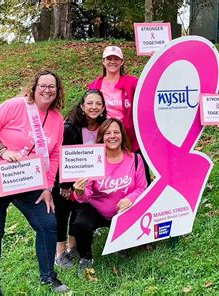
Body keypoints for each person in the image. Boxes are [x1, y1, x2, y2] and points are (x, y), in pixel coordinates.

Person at [0, 70, 69, 295]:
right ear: (34, 87)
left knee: (47, 224)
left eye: (52, 87)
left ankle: (48, 276)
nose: (47, 90)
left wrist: (48, 187)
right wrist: (3, 150)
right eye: (43, 85)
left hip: (30, 182)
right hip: (1, 179)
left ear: (57, 92)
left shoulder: (57, 119)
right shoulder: (16, 105)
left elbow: (55, 154)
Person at [72, 118, 147, 275]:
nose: (112, 136)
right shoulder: (94, 162)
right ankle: (85, 257)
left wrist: (130, 199)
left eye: (116, 132)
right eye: (107, 133)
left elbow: (142, 188)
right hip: (98, 210)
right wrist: (79, 191)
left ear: (122, 135)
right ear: (101, 137)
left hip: (124, 211)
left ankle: (124, 244)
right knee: (80, 223)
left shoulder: (135, 159)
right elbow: (85, 196)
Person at [52, 89, 107, 268]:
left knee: (78, 210)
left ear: (103, 107)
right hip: (65, 180)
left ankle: (73, 246)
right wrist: (65, 184)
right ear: (82, 106)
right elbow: (59, 157)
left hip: (87, 180)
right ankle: (60, 252)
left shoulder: (104, 126)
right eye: (90, 103)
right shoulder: (69, 127)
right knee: (62, 213)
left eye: (98, 103)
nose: (94, 107)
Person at [88, 45, 151, 182]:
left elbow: (149, 90)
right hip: (106, 136)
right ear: (103, 61)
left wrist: (155, 63)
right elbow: (88, 109)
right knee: (112, 176)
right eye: (109, 58)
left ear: (121, 62)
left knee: (141, 175)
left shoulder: (132, 82)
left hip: (131, 137)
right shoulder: (95, 85)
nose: (112, 62)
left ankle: (144, 199)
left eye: (116, 59)